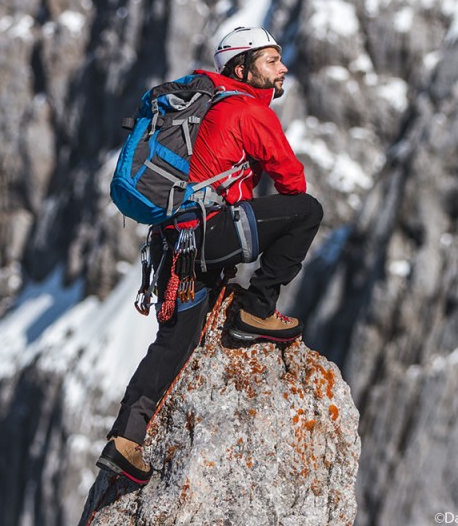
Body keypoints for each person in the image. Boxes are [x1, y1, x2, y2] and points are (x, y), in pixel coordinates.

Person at [96, 26, 323, 484]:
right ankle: (257, 310)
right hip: (209, 238)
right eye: (270, 61)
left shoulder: (211, 104)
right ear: (242, 68)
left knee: (176, 342)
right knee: (306, 211)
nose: (282, 70)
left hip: (172, 246)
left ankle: (125, 440)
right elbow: (292, 183)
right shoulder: (246, 109)